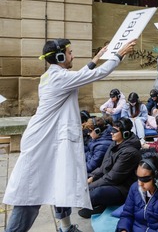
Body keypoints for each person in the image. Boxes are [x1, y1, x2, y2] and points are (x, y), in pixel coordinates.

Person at [3, 38, 136, 232]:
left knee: (60, 183)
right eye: (70, 52)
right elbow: (96, 74)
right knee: (30, 195)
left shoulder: (51, 75)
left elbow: (81, 74)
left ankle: (65, 228)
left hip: (51, 138)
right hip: (43, 142)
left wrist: (96, 57)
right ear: (59, 56)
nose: (73, 55)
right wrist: (119, 55)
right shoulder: (60, 78)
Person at [78, 118, 142, 219]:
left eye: (115, 131)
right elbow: (104, 166)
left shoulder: (130, 152)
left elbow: (113, 177)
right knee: (84, 184)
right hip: (111, 181)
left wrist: (90, 187)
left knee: (95, 193)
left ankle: (102, 205)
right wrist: (92, 177)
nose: (111, 133)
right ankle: (98, 204)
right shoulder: (115, 142)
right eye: (112, 129)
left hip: (123, 188)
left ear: (125, 133)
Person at [116, 153, 158, 232]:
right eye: (138, 178)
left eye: (145, 180)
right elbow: (127, 214)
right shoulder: (135, 188)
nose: (140, 183)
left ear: (157, 179)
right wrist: (123, 229)